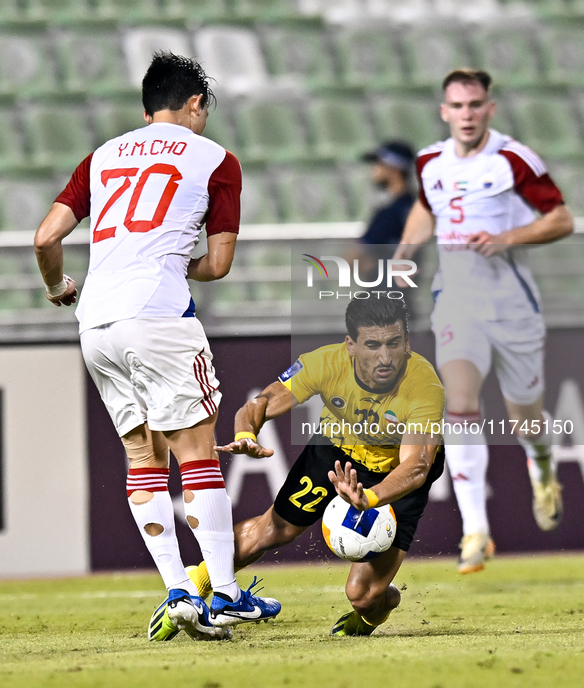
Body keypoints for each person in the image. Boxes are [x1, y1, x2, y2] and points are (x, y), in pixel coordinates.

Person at [33, 52, 280, 641]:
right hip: (159, 313)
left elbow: (45, 237)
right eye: (203, 111)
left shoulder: (102, 157)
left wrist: (57, 287)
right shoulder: (217, 160)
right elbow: (218, 265)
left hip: (95, 321)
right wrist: (172, 262)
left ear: (147, 110)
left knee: (143, 457)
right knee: (197, 455)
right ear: (195, 104)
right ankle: (222, 594)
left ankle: (176, 590)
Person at [160, 295, 446, 638]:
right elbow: (261, 402)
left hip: (394, 473)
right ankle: (193, 588)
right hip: (336, 452)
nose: (385, 357)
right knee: (271, 530)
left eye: (394, 343)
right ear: (351, 346)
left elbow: (416, 466)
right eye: (372, 345)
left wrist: (370, 497)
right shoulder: (324, 363)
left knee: (363, 596)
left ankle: (374, 613)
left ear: (407, 342)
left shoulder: (424, 385)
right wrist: (245, 433)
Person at [393, 69, 574, 574]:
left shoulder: (513, 159)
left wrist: (507, 239)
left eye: (476, 105)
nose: (467, 115)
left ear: (489, 108)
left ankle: (542, 465)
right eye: (458, 106)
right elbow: (426, 209)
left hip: (512, 305)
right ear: (444, 111)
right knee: (461, 402)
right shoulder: (429, 160)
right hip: (457, 301)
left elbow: (561, 218)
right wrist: (407, 249)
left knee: (526, 418)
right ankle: (476, 532)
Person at [348, 141, 415, 288]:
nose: (374, 170)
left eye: (378, 164)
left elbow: (353, 259)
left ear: (394, 169)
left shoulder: (390, 213)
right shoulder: (413, 207)